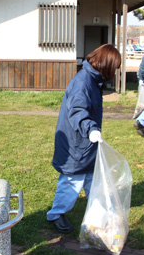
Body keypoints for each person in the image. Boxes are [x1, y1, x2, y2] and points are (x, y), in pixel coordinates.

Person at [47, 44, 121, 233]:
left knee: (91, 179)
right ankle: (56, 214)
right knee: (71, 181)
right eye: (114, 68)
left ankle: (100, 213)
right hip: (76, 144)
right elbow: (78, 111)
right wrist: (90, 130)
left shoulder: (93, 80)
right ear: (106, 65)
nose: (115, 72)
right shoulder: (84, 82)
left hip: (85, 144)